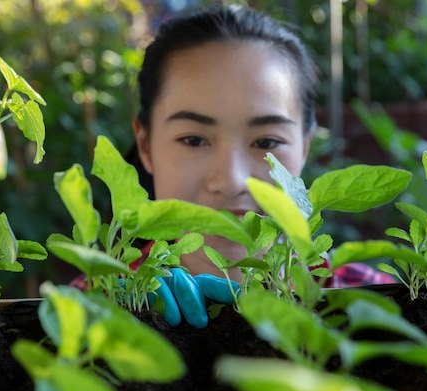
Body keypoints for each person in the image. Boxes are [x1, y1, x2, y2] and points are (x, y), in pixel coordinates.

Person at [77, 5, 394, 327]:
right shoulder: (84, 307)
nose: (231, 181)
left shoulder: (377, 305)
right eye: (194, 140)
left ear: (305, 147)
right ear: (146, 146)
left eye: (266, 142)